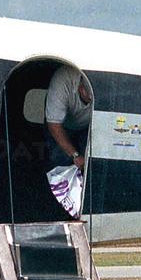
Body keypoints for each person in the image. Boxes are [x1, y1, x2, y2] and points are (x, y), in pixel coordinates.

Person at [43, 63, 93, 217]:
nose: (91, 100)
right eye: (89, 97)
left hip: (89, 125)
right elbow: (54, 124)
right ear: (81, 89)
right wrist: (75, 155)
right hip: (61, 125)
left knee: (92, 166)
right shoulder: (62, 82)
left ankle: (86, 211)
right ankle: (59, 211)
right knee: (60, 164)